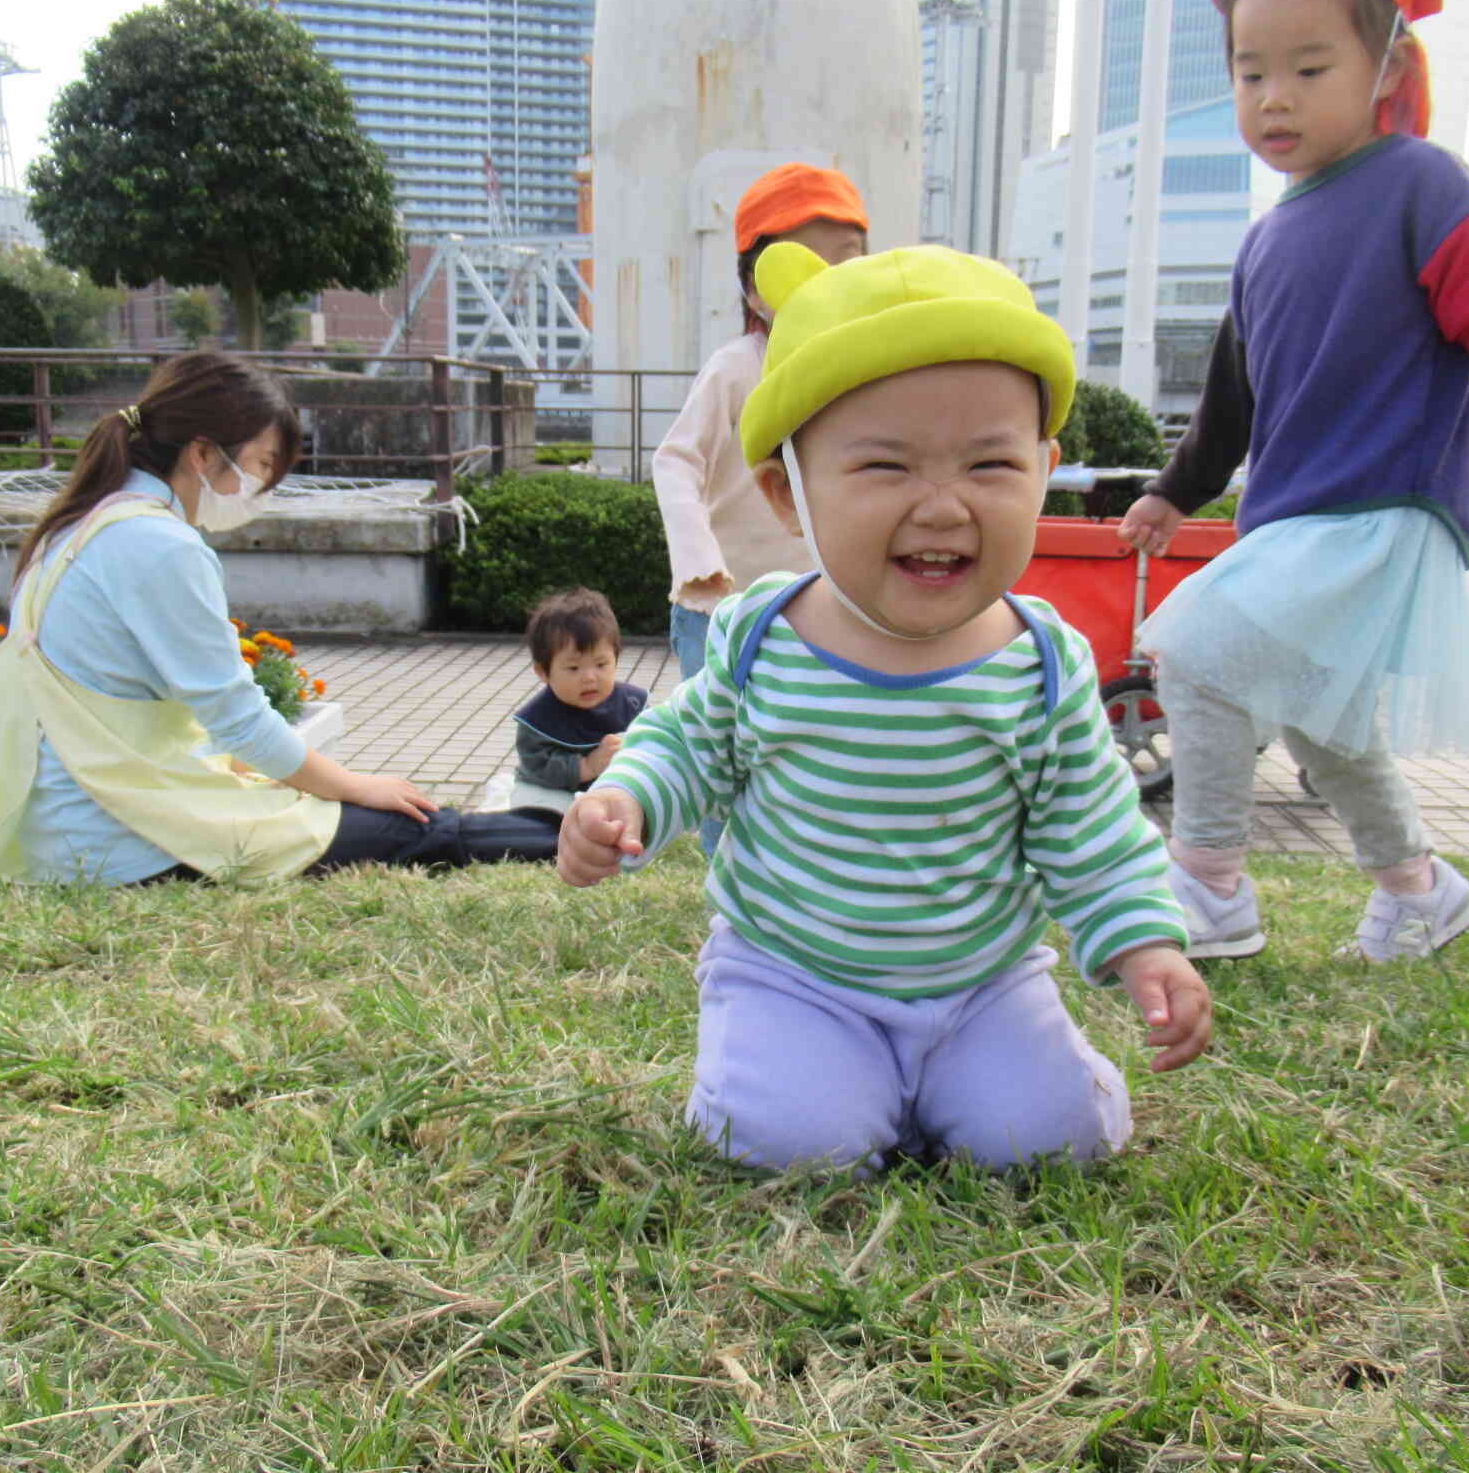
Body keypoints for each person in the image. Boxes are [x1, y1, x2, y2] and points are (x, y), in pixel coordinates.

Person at [560, 243, 1213, 1174]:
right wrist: (625, 801)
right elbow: (686, 745)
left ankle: (1021, 1079)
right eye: (885, 468)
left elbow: (1091, 825)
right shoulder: (762, 636)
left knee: (1044, 1144)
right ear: (790, 492)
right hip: (795, 975)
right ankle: (806, 1078)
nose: (944, 507)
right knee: (787, 1145)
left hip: (983, 985)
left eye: (990, 464)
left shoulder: (1041, 667)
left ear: (1044, 466)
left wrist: (1147, 943)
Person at [1116, 0, 1469, 963]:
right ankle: (1418, 890)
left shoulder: (1419, 184)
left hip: (1381, 508)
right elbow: (1229, 401)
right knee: (1323, 724)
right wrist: (1172, 494)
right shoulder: (1265, 238)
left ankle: (1208, 883)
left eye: (1308, 70)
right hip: (1298, 517)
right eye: (1249, 72)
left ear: (1386, 72)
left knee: (1194, 646)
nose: (1274, 98)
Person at [0, 350, 558, 885]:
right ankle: (597, 836)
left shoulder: (77, 527)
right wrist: (357, 786)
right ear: (202, 453)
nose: (261, 489)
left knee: (358, 810)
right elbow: (240, 722)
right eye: (260, 465)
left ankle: (579, 825)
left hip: (68, 831)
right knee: (410, 829)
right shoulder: (157, 544)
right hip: (131, 837)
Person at [651, 162, 870, 853]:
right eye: (799, 264)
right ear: (753, 285)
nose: (825, 282)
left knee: (820, 750)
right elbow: (675, 461)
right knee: (722, 751)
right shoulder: (738, 367)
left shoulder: (861, 370)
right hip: (725, 607)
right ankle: (733, 892)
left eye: (847, 263)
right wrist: (698, 567)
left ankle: (809, 873)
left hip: (827, 608)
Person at [507, 587, 649, 821]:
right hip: (551, 789)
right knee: (536, 811)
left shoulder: (633, 703)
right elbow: (537, 763)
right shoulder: (537, 718)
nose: (590, 677)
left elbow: (654, 744)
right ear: (543, 671)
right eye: (573, 668)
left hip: (613, 789)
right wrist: (587, 766)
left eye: (601, 664)